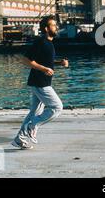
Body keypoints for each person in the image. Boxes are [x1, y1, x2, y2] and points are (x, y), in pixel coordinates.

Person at [12, 15, 69, 150]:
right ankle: (33, 125)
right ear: (46, 28)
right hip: (40, 83)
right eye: (53, 25)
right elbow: (26, 60)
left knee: (34, 112)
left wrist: (58, 63)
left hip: (40, 82)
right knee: (57, 107)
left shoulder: (49, 43)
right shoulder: (41, 42)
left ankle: (19, 139)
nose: (56, 27)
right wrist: (44, 69)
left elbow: (45, 62)